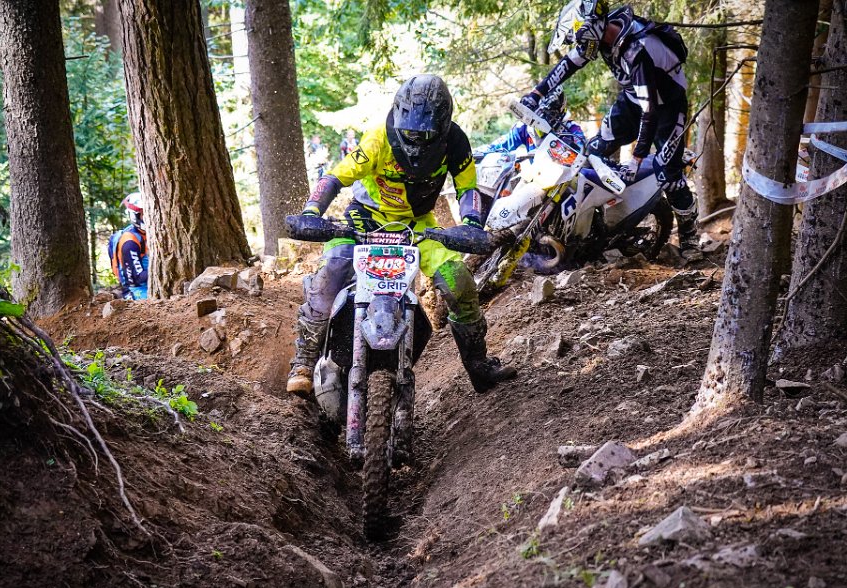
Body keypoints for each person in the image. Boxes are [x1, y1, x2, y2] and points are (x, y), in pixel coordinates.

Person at [286, 74, 516, 398]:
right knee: (332, 271)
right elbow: (336, 177)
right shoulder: (379, 137)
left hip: (418, 223)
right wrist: (312, 211)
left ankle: (478, 366)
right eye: (409, 132)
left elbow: (467, 188)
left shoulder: (455, 142)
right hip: (364, 218)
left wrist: (472, 224)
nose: (416, 141)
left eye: (426, 134)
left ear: (443, 126)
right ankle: (303, 361)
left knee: (459, 282)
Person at [521, 0, 699, 257]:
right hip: (632, 100)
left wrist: (637, 158)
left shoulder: (637, 50)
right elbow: (569, 63)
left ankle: (690, 238)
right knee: (592, 151)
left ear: (592, 28)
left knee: (669, 175)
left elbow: (649, 112)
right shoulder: (602, 33)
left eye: (580, 38)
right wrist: (536, 94)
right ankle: (592, 225)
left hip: (666, 109)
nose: (580, 45)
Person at [475, 86, 586, 156]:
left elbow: (583, 153)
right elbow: (499, 145)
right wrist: (475, 154)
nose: (544, 118)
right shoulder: (523, 128)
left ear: (560, 109)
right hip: (534, 180)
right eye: (539, 113)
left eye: (550, 113)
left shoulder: (572, 129)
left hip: (564, 181)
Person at [107, 192, 148, 300]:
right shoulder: (129, 242)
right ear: (135, 215)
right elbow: (137, 277)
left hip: (148, 284)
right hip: (136, 290)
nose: (147, 217)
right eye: (143, 214)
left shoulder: (145, 234)